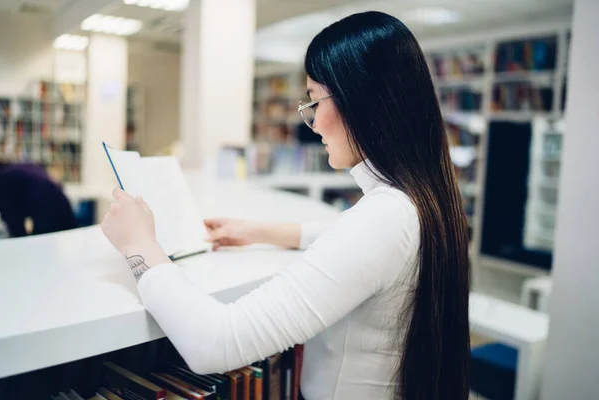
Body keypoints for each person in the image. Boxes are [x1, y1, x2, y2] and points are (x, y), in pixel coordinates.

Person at [101, 11, 470, 400]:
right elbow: (353, 243)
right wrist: (260, 232)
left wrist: (138, 244)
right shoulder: (421, 200)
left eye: (314, 101)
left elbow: (214, 343)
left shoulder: (384, 219)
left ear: (360, 101)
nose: (311, 122)